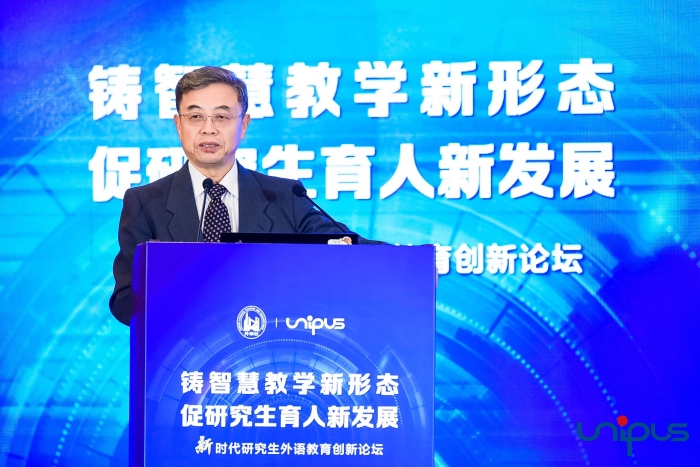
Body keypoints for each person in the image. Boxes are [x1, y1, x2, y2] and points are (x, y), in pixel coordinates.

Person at [110, 66, 374, 326]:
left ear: (244, 124)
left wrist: (400, 256)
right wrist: (170, 281)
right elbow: (124, 301)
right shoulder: (146, 203)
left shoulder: (286, 197)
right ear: (178, 125)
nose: (208, 129)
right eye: (196, 117)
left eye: (221, 117)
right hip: (182, 348)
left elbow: (345, 246)